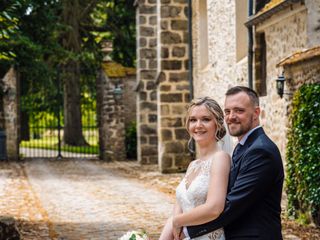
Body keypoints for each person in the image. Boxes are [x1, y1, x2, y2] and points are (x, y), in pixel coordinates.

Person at [180, 86, 284, 239]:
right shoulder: (243, 147)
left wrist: (187, 231)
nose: (231, 117)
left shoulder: (261, 151)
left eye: (239, 111)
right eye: (227, 111)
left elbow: (232, 205)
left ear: (256, 113)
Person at [159, 97, 231, 240]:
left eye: (205, 119)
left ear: (218, 124)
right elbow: (177, 213)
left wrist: (178, 221)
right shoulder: (193, 165)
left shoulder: (220, 158)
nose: (198, 125)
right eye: (193, 120)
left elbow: (214, 208)